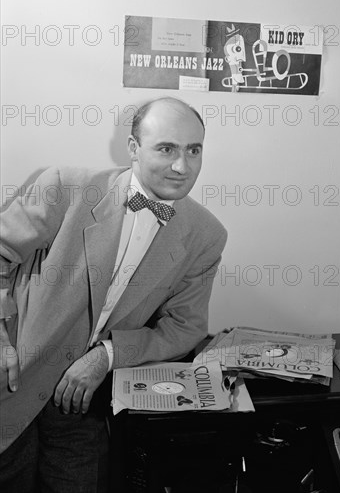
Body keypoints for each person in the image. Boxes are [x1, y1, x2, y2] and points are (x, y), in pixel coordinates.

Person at [0, 97, 227, 492]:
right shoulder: (64, 187)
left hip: (83, 399)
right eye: (166, 148)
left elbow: (185, 327)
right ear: (134, 149)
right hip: (12, 377)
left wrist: (107, 356)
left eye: (194, 150)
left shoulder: (206, 235)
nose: (182, 166)